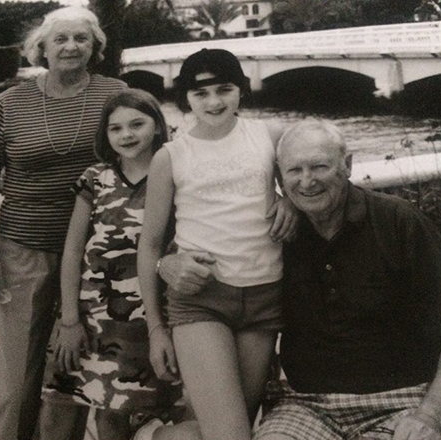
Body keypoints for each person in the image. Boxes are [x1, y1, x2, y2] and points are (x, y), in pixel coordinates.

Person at [159, 120, 441, 440]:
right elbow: (205, 242)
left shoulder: (399, 222)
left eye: (319, 167)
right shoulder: (273, 233)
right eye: (294, 171)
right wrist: (168, 262)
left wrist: (431, 418)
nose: (307, 181)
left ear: (347, 165)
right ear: (279, 177)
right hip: (307, 406)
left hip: (405, 400)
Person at [0, 6, 127, 440]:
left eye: (81, 38)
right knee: (16, 379)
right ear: (41, 48)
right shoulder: (13, 101)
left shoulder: (115, 94)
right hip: (25, 251)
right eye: (60, 39)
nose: (71, 46)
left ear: (95, 47)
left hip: (101, 255)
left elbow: (151, 163)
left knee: (78, 377)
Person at [136, 48, 297, 440]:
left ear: (241, 90)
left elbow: (318, 176)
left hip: (263, 297)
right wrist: (157, 329)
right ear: (186, 99)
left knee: (217, 430)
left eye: (224, 89)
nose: (214, 102)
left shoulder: (270, 137)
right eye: (200, 93)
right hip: (201, 298)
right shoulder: (170, 156)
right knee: (231, 435)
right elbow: (151, 243)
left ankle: (155, 437)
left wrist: (291, 200)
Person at [38, 89, 184, 440]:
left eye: (137, 124)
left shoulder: (175, 176)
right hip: (88, 318)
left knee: (115, 420)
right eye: (115, 128)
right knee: (58, 411)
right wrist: (69, 319)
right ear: (105, 134)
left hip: (141, 321)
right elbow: (73, 251)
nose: (127, 135)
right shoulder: (96, 178)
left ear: (158, 127)